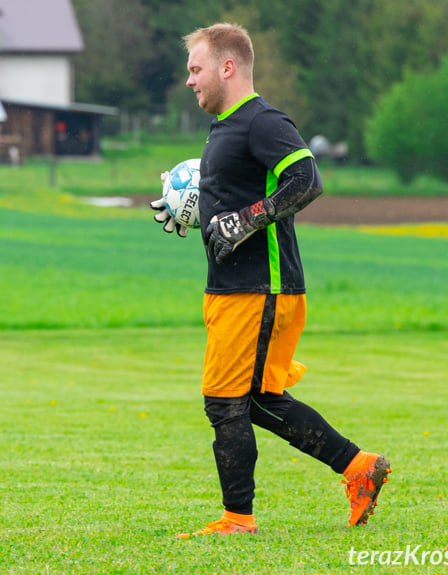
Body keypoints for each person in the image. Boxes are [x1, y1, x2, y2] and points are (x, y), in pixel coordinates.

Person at [150, 23, 391, 538]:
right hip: (238, 290)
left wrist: (247, 219)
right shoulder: (226, 129)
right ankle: (360, 468)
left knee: (224, 402)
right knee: (257, 401)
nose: (190, 80)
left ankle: (238, 520)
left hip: (259, 289)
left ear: (227, 67)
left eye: (196, 69)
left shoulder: (262, 120)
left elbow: (306, 179)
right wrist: (185, 205)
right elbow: (229, 188)